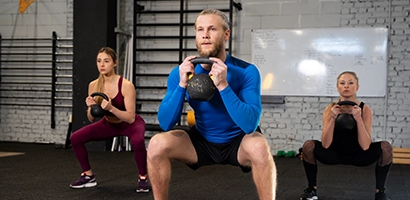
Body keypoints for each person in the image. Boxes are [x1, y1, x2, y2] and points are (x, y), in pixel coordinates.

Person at [149, 9, 275, 200]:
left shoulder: (246, 71)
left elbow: (250, 124)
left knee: (259, 146)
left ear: (226, 34)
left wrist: (223, 85)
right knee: (157, 143)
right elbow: (165, 123)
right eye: (200, 29)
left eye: (212, 29)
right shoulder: (181, 72)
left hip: (237, 142)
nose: (205, 35)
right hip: (201, 141)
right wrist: (182, 84)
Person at [299, 71, 392, 200]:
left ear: (357, 87)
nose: (346, 86)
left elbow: (365, 146)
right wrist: (332, 118)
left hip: (359, 154)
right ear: (338, 87)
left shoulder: (365, 109)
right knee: (308, 146)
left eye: (350, 83)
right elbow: (325, 144)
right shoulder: (330, 109)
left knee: (386, 147)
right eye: (342, 83)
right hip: (334, 153)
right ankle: (312, 190)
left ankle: (380, 192)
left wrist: (358, 119)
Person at [68, 47, 148, 192]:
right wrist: (91, 108)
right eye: (99, 61)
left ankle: (143, 177)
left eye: (106, 61)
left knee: (137, 141)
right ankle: (88, 175)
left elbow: (130, 118)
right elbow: (91, 118)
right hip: (109, 124)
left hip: (130, 124)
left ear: (115, 63)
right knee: (75, 138)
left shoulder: (126, 85)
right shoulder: (93, 85)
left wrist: (111, 108)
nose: (102, 65)